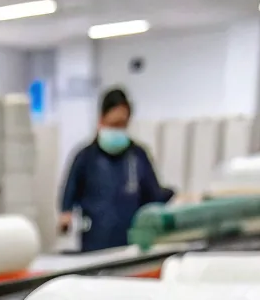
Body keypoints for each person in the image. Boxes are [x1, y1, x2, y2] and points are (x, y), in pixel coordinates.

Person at [58, 88, 174, 252]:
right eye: (113, 124)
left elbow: (154, 194)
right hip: (95, 243)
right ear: (101, 121)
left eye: (122, 125)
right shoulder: (86, 157)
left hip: (132, 244)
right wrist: (66, 215)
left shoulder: (138, 156)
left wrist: (174, 197)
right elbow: (69, 192)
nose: (118, 129)